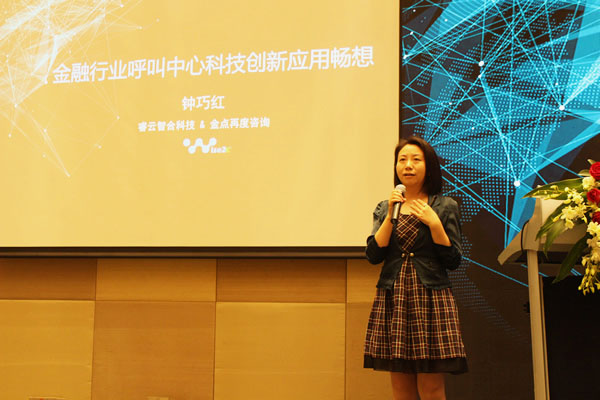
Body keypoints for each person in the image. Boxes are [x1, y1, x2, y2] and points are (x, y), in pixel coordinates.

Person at [363, 136, 468, 400]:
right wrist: (390, 216)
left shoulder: (445, 206)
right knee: (401, 388)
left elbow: (453, 260)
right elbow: (373, 255)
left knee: (432, 388)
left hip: (431, 300)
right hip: (395, 299)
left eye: (415, 160)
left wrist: (435, 224)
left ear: (428, 166)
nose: (408, 165)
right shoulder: (385, 207)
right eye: (402, 160)